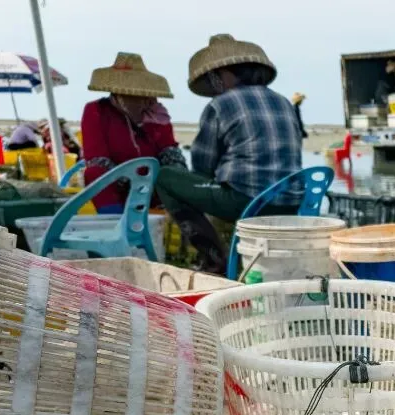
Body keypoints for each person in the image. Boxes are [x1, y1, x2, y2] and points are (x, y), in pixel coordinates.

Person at [155, 34, 302, 274]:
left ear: (224, 75)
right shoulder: (283, 102)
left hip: (248, 201)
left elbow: (203, 166)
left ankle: (214, 260)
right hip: (292, 201)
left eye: (214, 78)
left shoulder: (221, 104)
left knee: (165, 177)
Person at [81, 52, 185, 213]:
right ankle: (115, 226)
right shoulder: (96, 111)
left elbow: (170, 152)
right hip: (117, 184)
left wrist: (169, 179)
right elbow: (96, 158)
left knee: (177, 174)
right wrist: (131, 180)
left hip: (154, 186)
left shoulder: (157, 115)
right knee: (94, 173)